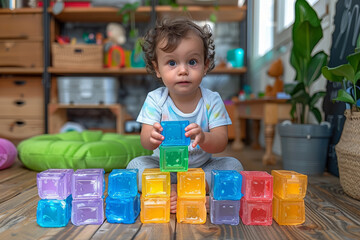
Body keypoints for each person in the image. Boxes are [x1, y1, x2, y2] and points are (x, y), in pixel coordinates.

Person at [126, 17, 244, 213]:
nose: (183, 70)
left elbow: (221, 142)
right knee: (135, 166)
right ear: (157, 69)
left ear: (205, 65)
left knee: (234, 165)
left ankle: (193, 190)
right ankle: (176, 190)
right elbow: (145, 142)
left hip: (201, 169)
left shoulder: (212, 100)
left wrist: (204, 137)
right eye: (172, 62)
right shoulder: (155, 100)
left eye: (192, 62)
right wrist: (152, 137)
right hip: (163, 169)